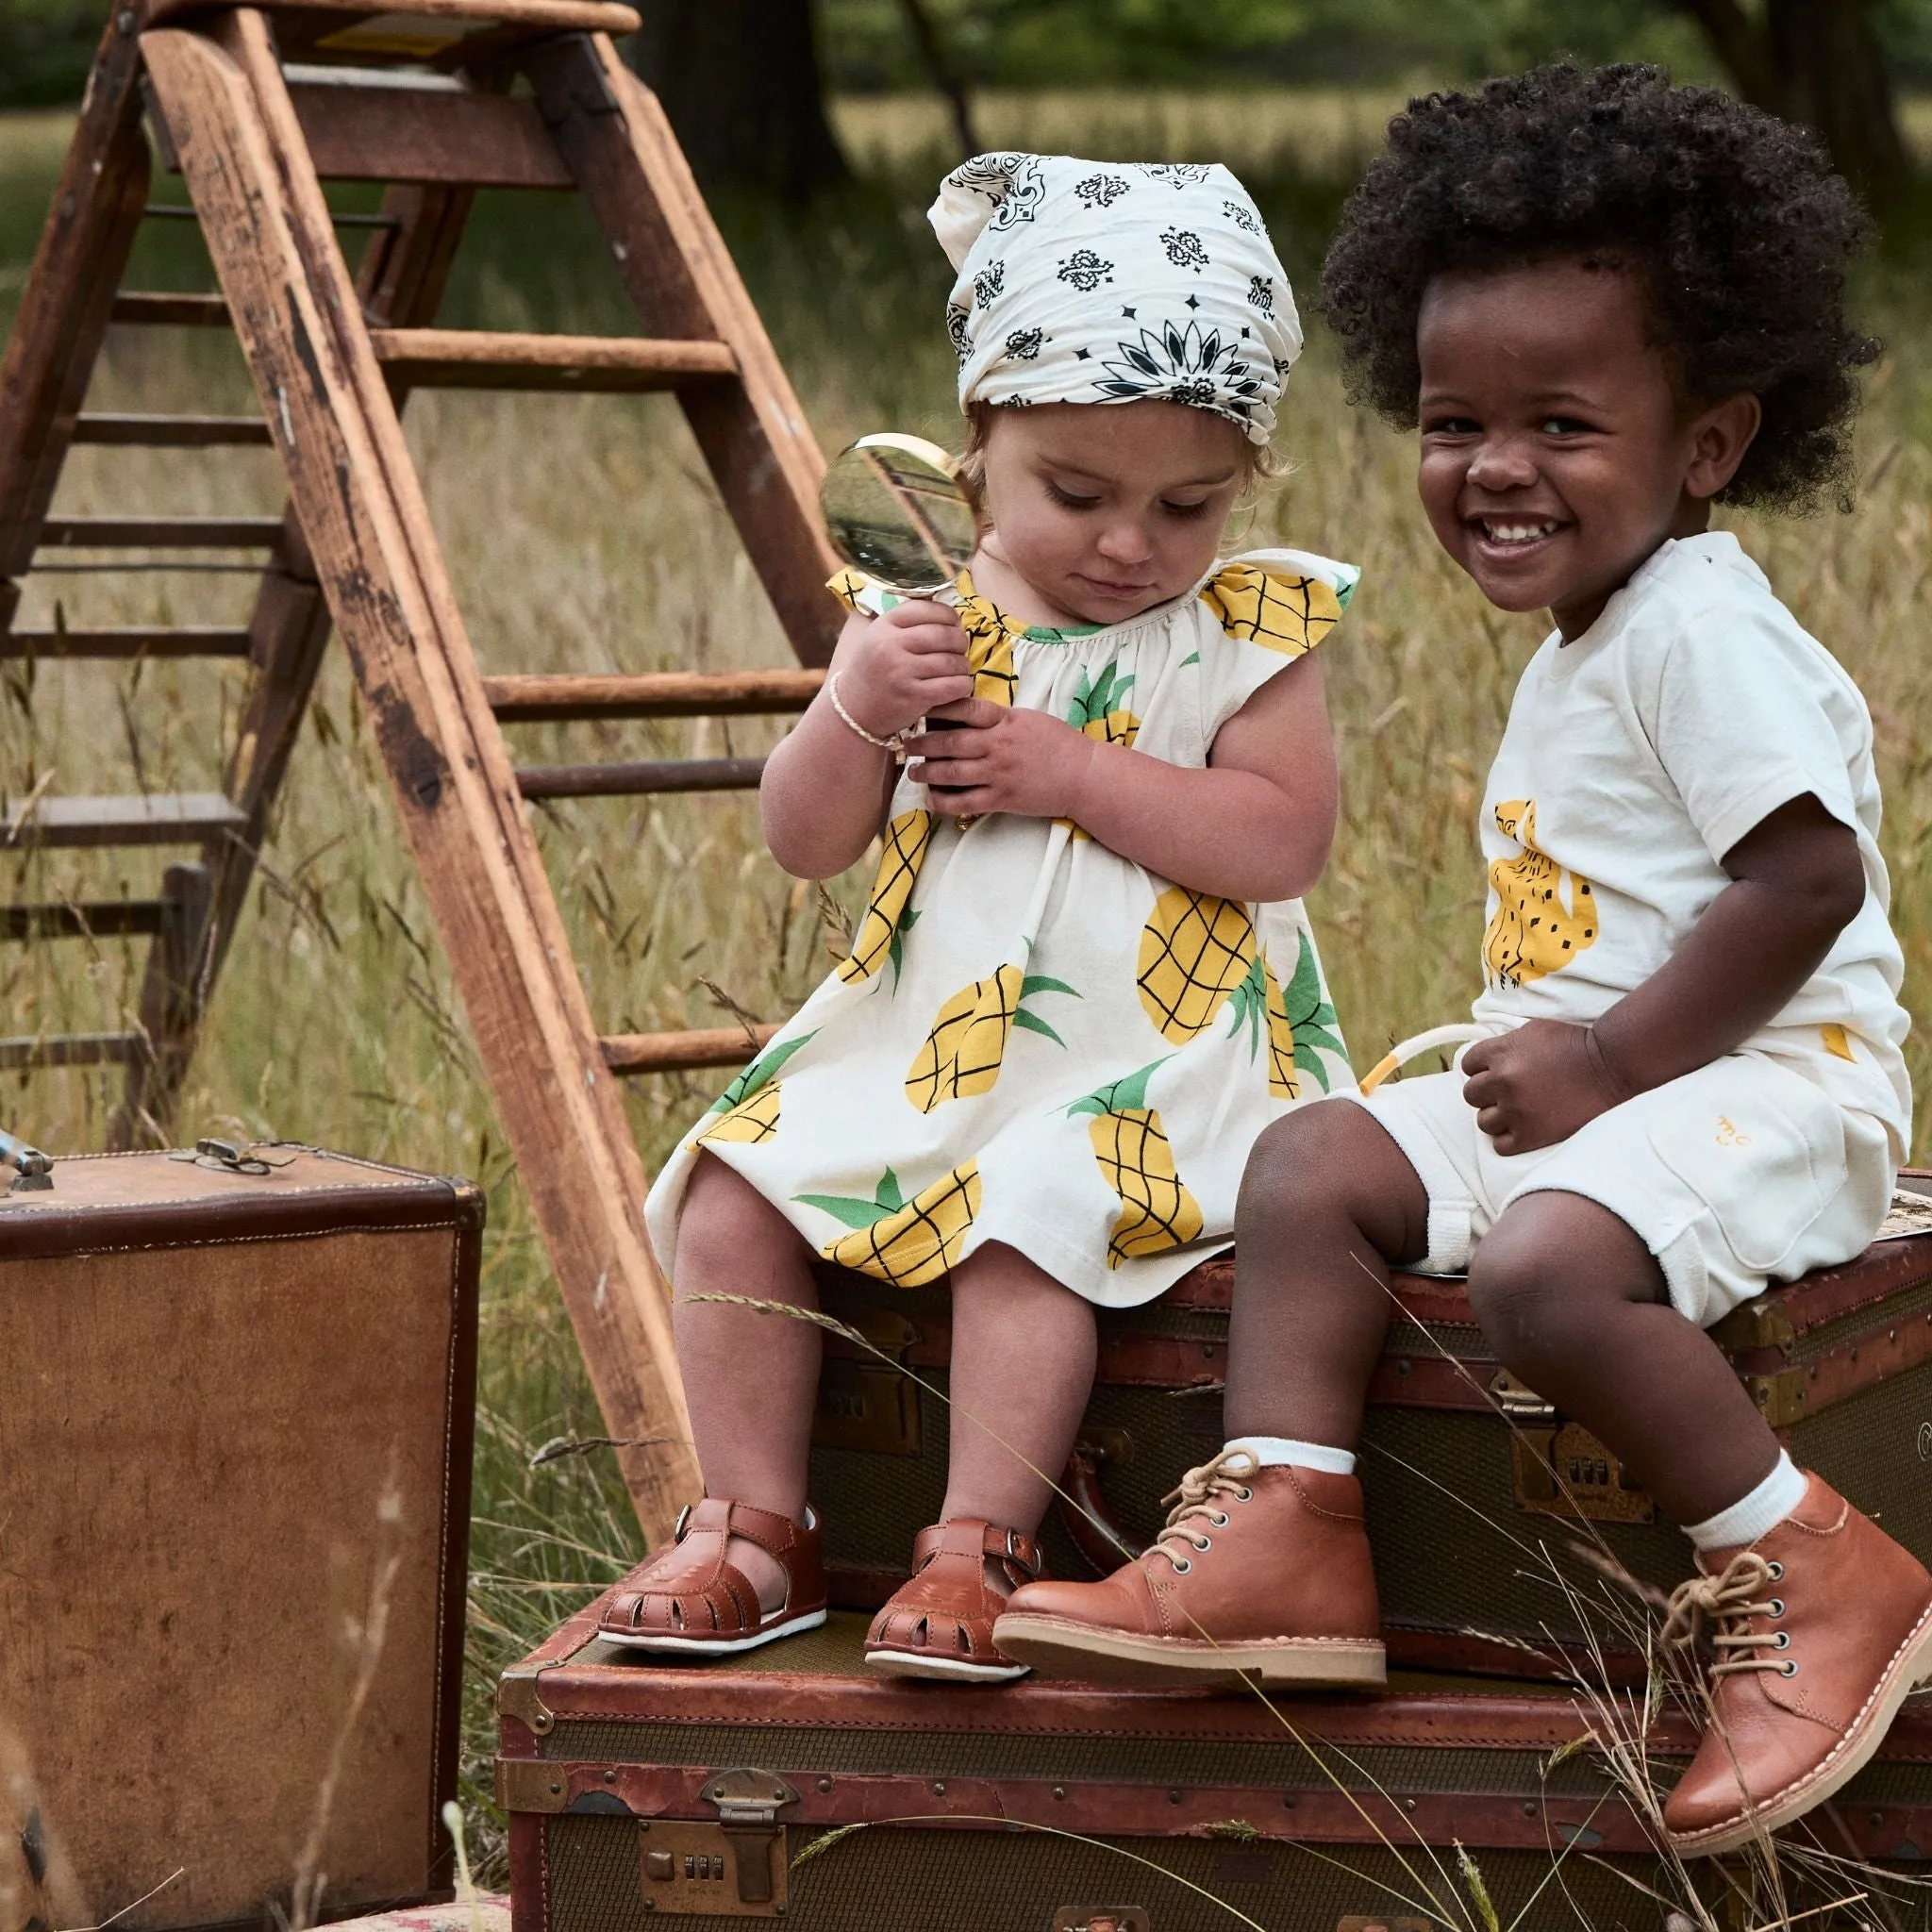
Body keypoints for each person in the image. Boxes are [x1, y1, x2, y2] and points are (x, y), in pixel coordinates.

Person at [993, 66, 1921, 1855]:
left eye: (1563, 424)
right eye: (1451, 420)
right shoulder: (1600, 631)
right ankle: (1292, 1524)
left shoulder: (1703, 633)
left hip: (1767, 1088)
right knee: (1317, 1160)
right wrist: (1575, 1071)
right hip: (1629, 1087)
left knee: (1550, 1281)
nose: (1496, 467)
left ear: (1710, 443)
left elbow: (1806, 885)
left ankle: (1810, 1563)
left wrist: (1607, 1067)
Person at [597, 152, 1358, 1683]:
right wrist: (850, 709)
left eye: (1186, 503)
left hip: (1149, 1066)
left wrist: (1077, 769)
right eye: (1075, 494)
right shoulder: (920, 627)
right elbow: (806, 841)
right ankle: (754, 1528)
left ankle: (977, 1544)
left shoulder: (1237, 638)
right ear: (975, 453)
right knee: (737, 1183)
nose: (1132, 543)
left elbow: (1283, 843)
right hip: (923, 1045)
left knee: (1027, 1223)